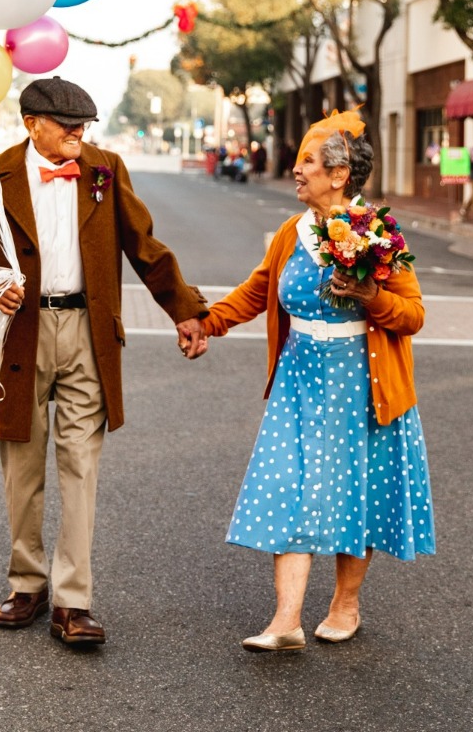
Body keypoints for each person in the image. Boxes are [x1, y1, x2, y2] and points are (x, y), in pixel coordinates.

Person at [0, 76, 208, 646]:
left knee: (81, 467)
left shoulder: (105, 169)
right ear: (31, 123)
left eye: (83, 125)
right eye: (66, 126)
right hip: (19, 334)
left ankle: (73, 599)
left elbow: (145, 246)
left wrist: (185, 310)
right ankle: (27, 582)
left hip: (89, 331)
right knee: (23, 464)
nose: (77, 135)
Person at [179, 110, 434, 652]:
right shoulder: (293, 232)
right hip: (300, 378)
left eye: (307, 163)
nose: (296, 172)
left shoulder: (379, 235)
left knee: (355, 495)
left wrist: (372, 297)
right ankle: (286, 620)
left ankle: (346, 603)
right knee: (284, 486)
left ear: (339, 175)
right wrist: (208, 321)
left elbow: (412, 316)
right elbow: (259, 289)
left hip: (363, 382)